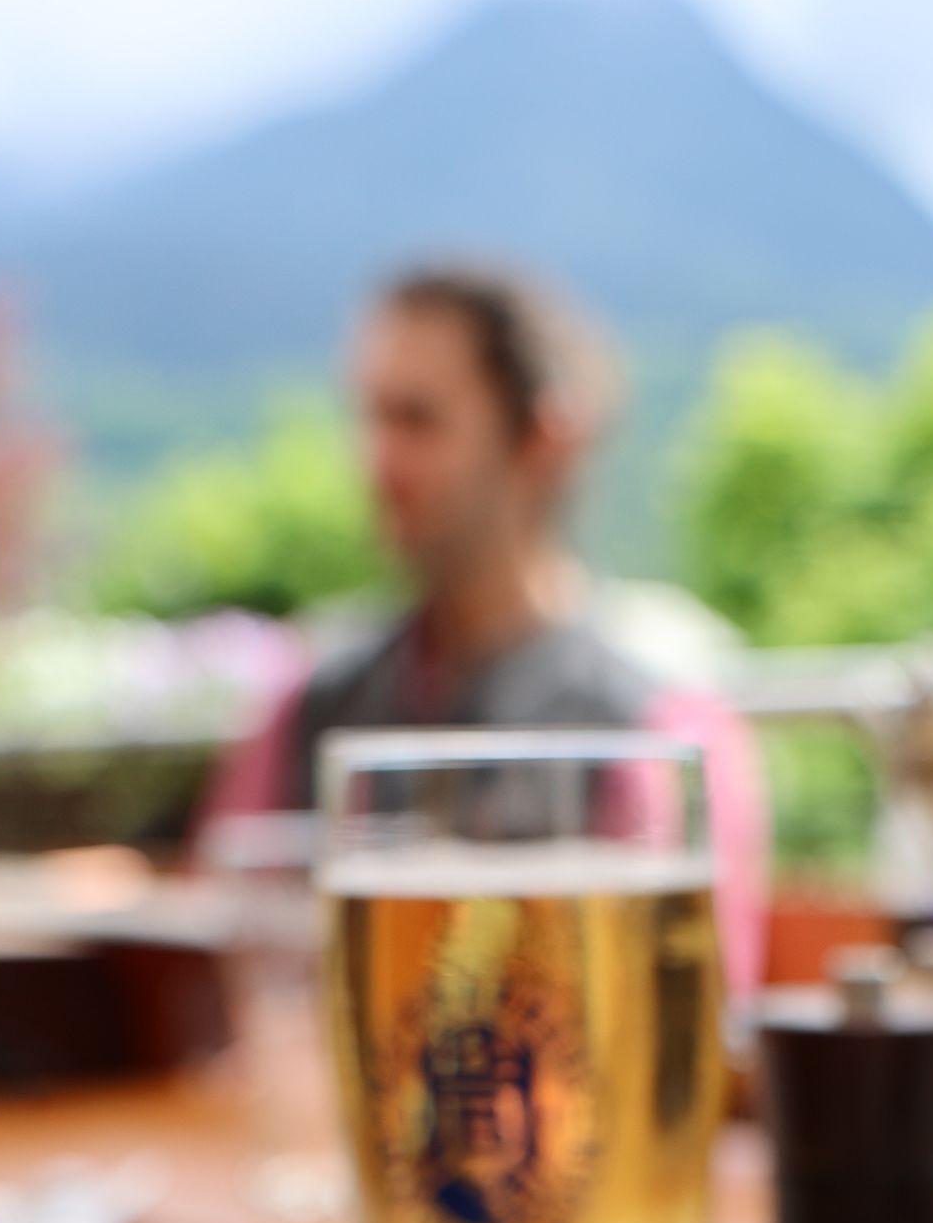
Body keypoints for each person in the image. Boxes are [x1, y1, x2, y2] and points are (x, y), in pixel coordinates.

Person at [204, 265, 651, 826]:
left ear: (542, 442)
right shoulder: (309, 703)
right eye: (373, 418)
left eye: (418, 421)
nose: (378, 461)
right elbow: (234, 870)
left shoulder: (644, 727)